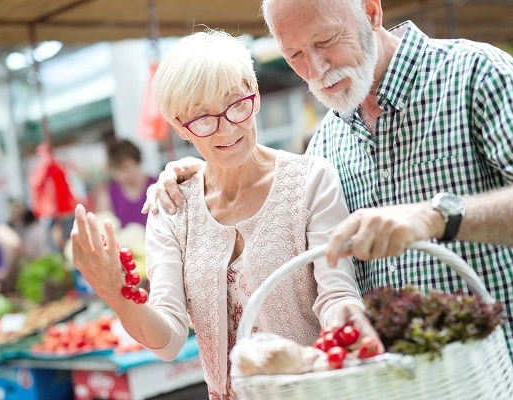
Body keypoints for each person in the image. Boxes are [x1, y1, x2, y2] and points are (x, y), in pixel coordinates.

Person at [143, 0, 513, 396]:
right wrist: (202, 171)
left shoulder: (476, 74)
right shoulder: (327, 146)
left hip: (508, 377)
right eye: (295, 54)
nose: (316, 68)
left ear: (370, 12)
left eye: (327, 40)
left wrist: (438, 215)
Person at [71, 30, 380, 400]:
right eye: (202, 119)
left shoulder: (310, 180)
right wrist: (117, 295)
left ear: (255, 92)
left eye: (236, 104)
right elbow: (167, 341)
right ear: (179, 127)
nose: (226, 128)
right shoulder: (173, 207)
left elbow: (336, 293)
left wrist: (348, 317)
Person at [93, 138, 157, 228]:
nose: (122, 176)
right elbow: (102, 227)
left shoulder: (157, 185)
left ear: (136, 161)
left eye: (126, 168)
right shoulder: (107, 195)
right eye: (117, 170)